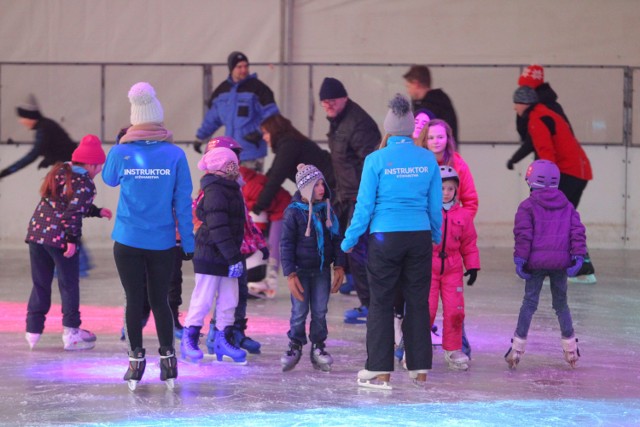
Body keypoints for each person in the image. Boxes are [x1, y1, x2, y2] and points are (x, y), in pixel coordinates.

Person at [342, 94, 442, 390]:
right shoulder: (427, 159)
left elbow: (364, 206)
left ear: (388, 126)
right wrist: (434, 234)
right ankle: (420, 366)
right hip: (419, 237)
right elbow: (435, 205)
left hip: (385, 238)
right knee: (417, 301)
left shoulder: (376, 160)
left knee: (381, 303)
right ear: (411, 127)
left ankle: (379, 370)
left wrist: (349, 240)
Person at [102, 82, 195, 391]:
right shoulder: (175, 154)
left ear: (134, 119)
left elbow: (108, 178)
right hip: (163, 243)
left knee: (134, 300)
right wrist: (189, 243)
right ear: (158, 119)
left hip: (127, 241)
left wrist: (120, 144)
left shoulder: (121, 151)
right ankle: (168, 360)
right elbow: (183, 201)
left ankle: (136, 362)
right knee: (160, 300)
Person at [24, 134, 111, 351]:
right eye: (99, 166)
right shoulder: (86, 184)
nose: (99, 170)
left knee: (41, 283)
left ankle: (33, 329)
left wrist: (97, 211)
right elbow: (72, 214)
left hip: (37, 234)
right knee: (69, 285)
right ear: (91, 164)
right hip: (60, 238)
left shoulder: (60, 173)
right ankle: (71, 332)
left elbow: (67, 203)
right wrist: (71, 241)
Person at [506, 160, 585, 369]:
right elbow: (577, 231)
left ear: (531, 181)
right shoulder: (567, 205)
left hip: (536, 263)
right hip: (560, 264)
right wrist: (578, 256)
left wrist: (520, 260)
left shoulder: (527, 206)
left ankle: (517, 347)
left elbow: (523, 236)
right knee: (561, 305)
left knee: (529, 303)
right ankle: (571, 349)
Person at [191, 136, 267, 355]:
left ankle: (232, 333)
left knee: (235, 295)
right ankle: (216, 335)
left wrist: (258, 242)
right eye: (234, 156)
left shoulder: (233, 185)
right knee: (208, 295)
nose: (238, 162)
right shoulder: (213, 187)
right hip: (217, 252)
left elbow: (244, 219)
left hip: (235, 249)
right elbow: (214, 223)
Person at [512, 85, 596, 283]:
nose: (515, 109)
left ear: (523, 103)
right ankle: (578, 266)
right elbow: (534, 145)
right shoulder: (544, 114)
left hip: (569, 172)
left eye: (516, 104)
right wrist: (514, 159)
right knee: (561, 219)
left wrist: (544, 184)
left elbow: (546, 153)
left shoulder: (537, 119)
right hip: (578, 171)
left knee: (558, 219)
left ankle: (579, 267)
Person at [319, 77, 381, 324]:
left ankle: (373, 305)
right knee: (352, 250)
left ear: (344, 98)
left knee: (358, 250)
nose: (328, 105)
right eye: (324, 102)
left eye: (332, 100)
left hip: (361, 197)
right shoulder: (339, 122)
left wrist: (364, 198)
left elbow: (370, 162)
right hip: (347, 194)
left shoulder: (358, 124)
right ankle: (368, 302)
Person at [180, 147, 249, 365]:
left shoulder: (231, 188)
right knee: (203, 299)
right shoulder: (216, 191)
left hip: (227, 255)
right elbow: (219, 228)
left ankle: (222, 340)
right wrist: (234, 258)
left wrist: (233, 256)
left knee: (230, 300)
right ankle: (189, 340)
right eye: (231, 165)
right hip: (211, 255)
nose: (236, 169)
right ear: (221, 167)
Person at [251, 113, 333, 295]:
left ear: (274, 130)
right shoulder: (288, 144)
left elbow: (275, 178)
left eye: (265, 132)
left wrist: (258, 207)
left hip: (330, 188)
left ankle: (315, 278)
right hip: (324, 189)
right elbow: (272, 175)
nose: (264, 137)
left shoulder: (290, 145)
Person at [279, 164, 346, 372]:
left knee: (320, 311)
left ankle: (318, 345)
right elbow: (286, 244)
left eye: (322, 184)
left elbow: (337, 238)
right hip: (299, 271)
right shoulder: (293, 213)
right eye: (316, 185)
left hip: (321, 271)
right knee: (299, 311)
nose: (321, 188)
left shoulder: (326, 209)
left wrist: (340, 266)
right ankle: (295, 344)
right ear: (305, 188)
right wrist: (290, 273)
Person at [430, 166, 480, 371]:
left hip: (452, 268)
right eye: (441, 188)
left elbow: (469, 242)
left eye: (450, 188)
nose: (446, 193)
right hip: (428, 268)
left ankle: (453, 348)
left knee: (455, 311)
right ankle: (415, 349)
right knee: (425, 310)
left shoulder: (463, 215)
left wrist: (473, 265)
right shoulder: (427, 211)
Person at [194, 51, 279, 172]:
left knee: (252, 190)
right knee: (233, 189)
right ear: (231, 68)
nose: (243, 70)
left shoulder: (259, 89)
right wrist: (200, 137)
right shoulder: (222, 91)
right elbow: (213, 118)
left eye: (246, 66)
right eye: (239, 67)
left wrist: (259, 132)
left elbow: (272, 115)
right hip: (230, 153)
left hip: (252, 151)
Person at [507, 64, 574, 171]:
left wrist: (514, 159)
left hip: (557, 165)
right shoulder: (544, 107)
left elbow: (530, 140)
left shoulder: (545, 110)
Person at [240, 163, 291, 298]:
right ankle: (267, 280)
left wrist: (246, 204)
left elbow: (265, 202)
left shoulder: (251, 185)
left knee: (275, 246)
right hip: (276, 212)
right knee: (272, 245)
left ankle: (271, 281)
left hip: (282, 212)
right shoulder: (250, 183)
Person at [0, 94, 77, 179]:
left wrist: (6, 171)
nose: (20, 121)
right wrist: (49, 159)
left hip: (70, 169)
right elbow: (60, 146)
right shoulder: (46, 125)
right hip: (69, 167)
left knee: (53, 189)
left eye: (22, 118)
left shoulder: (43, 129)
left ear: (29, 117)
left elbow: (32, 155)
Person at [403, 65, 459, 143]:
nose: (408, 91)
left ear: (416, 84)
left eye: (408, 86)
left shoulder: (432, 107)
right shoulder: (438, 101)